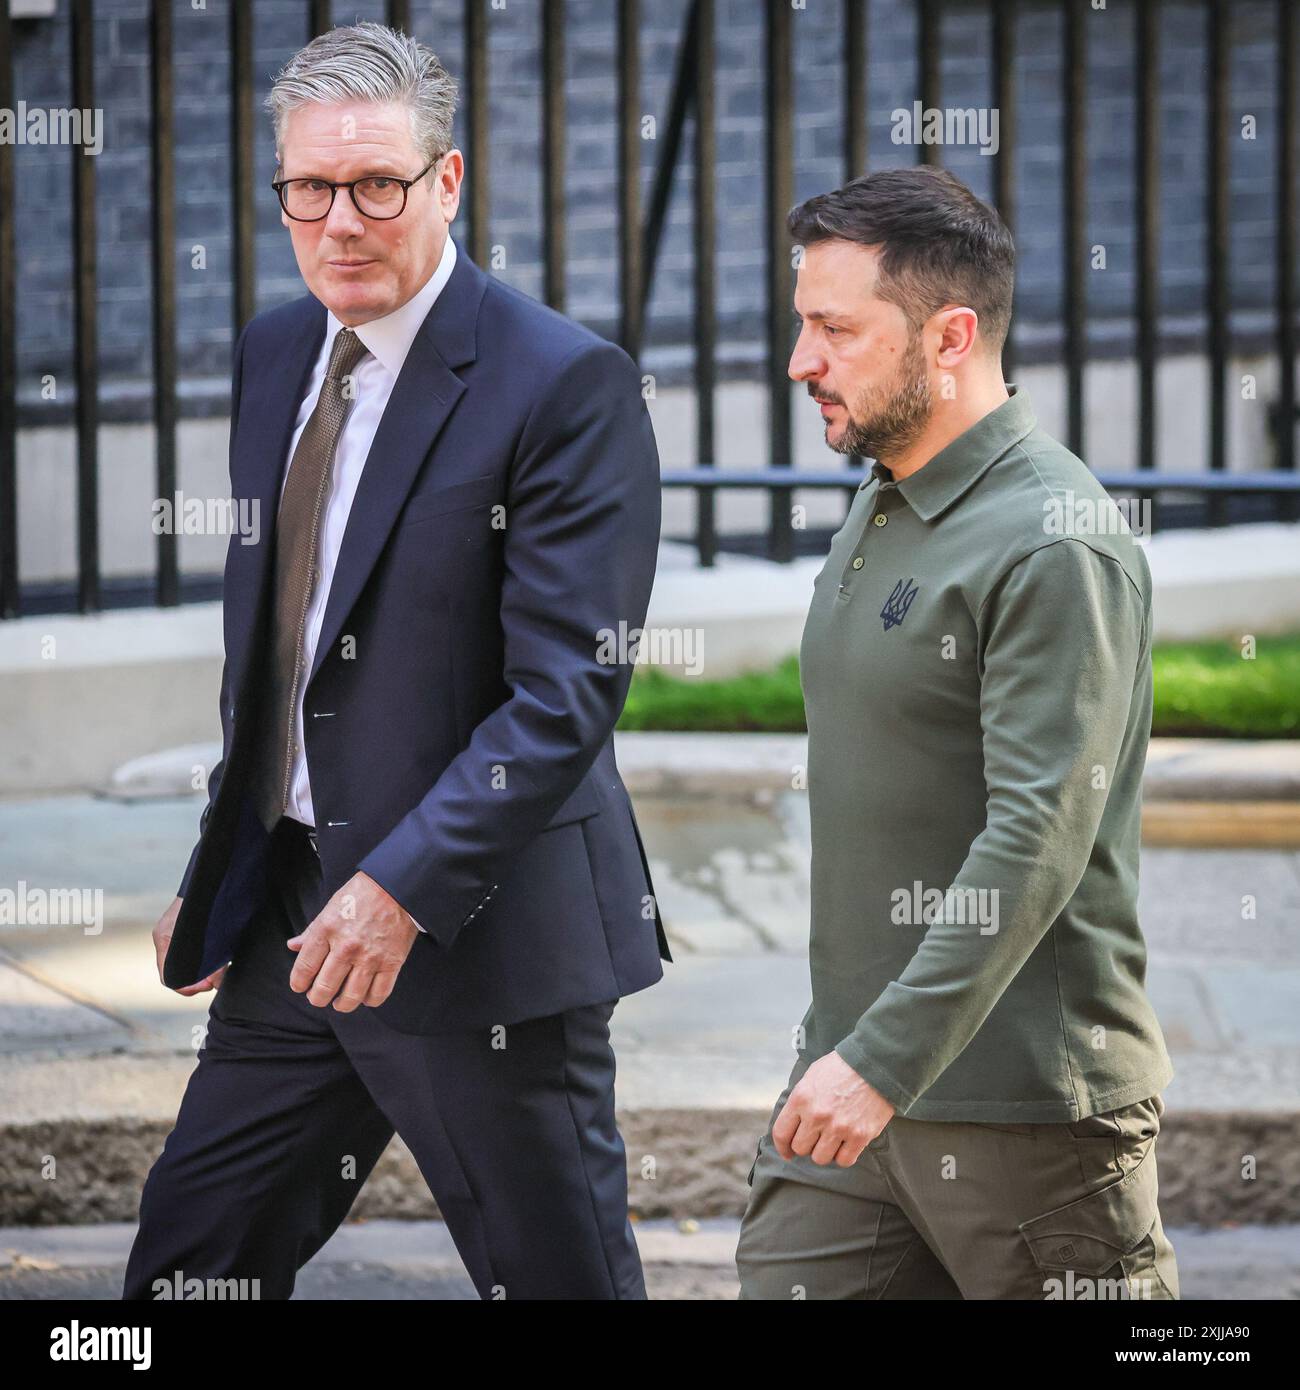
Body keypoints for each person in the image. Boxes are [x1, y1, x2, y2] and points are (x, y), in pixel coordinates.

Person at [124, 20, 669, 1302]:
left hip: (475, 933)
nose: (339, 223)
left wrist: (401, 890)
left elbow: (565, 695)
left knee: (557, 1282)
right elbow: (280, 649)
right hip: (294, 924)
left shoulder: (563, 383)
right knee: (185, 1269)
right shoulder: (274, 351)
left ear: (449, 181)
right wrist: (229, 855)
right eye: (307, 190)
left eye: (378, 185)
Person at [736, 166, 1178, 1301]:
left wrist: (878, 1063)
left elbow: (1039, 830)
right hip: (845, 1092)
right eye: (801, 324)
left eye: (835, 329)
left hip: (1025, 1118)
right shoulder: (886, 492)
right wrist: (851, 1054)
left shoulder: (1051, 543)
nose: (801, 361)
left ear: (950, 336)